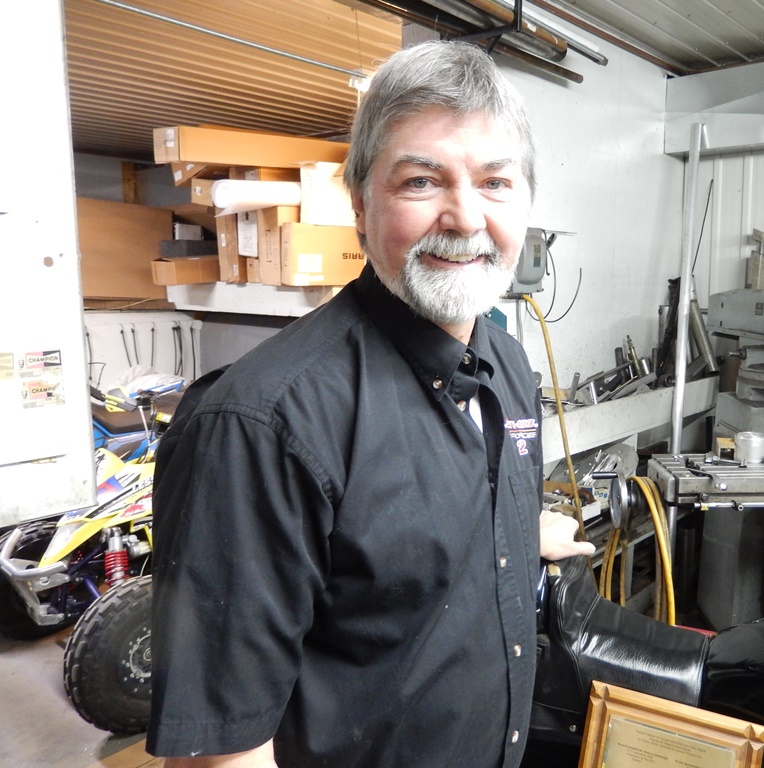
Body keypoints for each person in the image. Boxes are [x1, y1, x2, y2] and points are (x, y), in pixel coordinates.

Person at [146, 39, 595, 768]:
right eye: (422, 182)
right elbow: (221, 751)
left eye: (495, 183)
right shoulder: (260, 427)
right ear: (359, 202)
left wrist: (515, 529)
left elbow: (410, 540)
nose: (465, 216)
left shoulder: (507, 363)